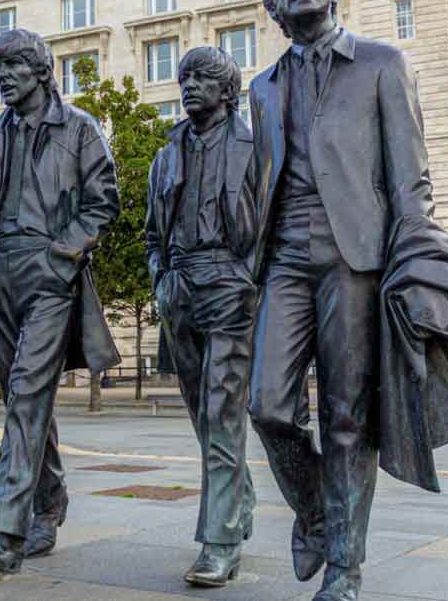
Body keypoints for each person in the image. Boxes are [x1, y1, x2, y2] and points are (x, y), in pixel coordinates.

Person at [245, 0, 434, 601]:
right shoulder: (260, 88)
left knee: (347, 418)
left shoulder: (382, 63)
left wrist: (411, 257)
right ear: (271, 5)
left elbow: (410, 178)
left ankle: (344, 568)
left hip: (357, 256)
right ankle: (319, 514)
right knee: (267, 406)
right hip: (285, 260)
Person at [0, 28, 120, 574]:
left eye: (13, 65)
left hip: (50, 273)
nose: (3, 75)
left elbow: (105, 201)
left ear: (41, 71)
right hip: (0, 278)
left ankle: (5, 531)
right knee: (20, 399)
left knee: (30, 393)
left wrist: (65, 254)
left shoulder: (78, 129)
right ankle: (49, 503)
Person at [144, 46, 258, 588]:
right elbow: (151, 233)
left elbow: (273, 222)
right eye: (185, 77)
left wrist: (248, 277)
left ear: (228, 91)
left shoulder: (255, 146)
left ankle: (220, 542)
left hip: (231, 286)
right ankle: (238, 501)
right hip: (179, 289)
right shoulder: (165, 155)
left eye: (204, 77)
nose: (189, 85)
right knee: (203, 417)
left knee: (222, 412)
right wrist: (159, 277)